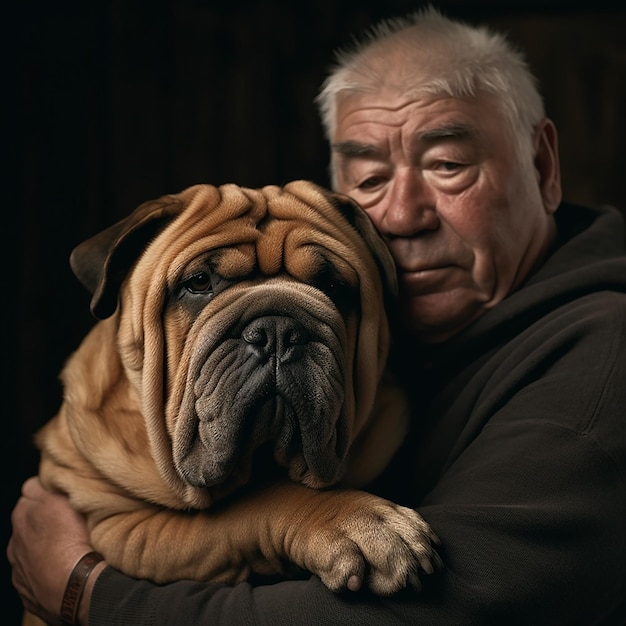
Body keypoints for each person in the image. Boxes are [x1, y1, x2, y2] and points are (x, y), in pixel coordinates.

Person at [8, 7, 626, 624]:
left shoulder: (600, 360)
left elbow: (446, 610)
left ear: (544, 168)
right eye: (371, 177)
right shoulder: (412, 326)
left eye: (447, 166)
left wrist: (90, 592)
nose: (404, 216)